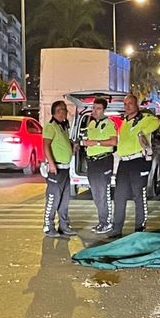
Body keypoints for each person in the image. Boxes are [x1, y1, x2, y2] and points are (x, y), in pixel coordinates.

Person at [111, 94, 160, 237]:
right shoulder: (124, 122)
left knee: (139, 196)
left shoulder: (145, 119)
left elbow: (155, 122)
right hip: (124, 163)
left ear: (136, 105)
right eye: (125, 104)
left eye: (130, 104)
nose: (127, 106)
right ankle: (116, 229)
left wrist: (140, 128)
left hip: (138, 161)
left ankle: (140, 229)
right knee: (119, 196)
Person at [81, 98, 117, 234]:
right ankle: (101, 221)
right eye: (94, 107)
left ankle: (107, 222)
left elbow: (114, 141)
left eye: (98, 108)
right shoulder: (90, 124)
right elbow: (87, 140)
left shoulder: (109, 123)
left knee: (104, 193)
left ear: (104, 110)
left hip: (104, 161)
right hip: (92, 162)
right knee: (96, 194)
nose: (94, 111)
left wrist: (95, 143)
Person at [42, 100, 76, 237]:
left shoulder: (63, 127)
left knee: (64, 200)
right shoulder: (51, 126)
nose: (66, 112)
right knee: (53, 198)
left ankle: (64, 225)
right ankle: (48, 226)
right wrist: (51, 164)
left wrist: (73, 147)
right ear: (58, 111)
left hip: (65, 169)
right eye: (64, 110)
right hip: (56, 168)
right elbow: (46, 146)